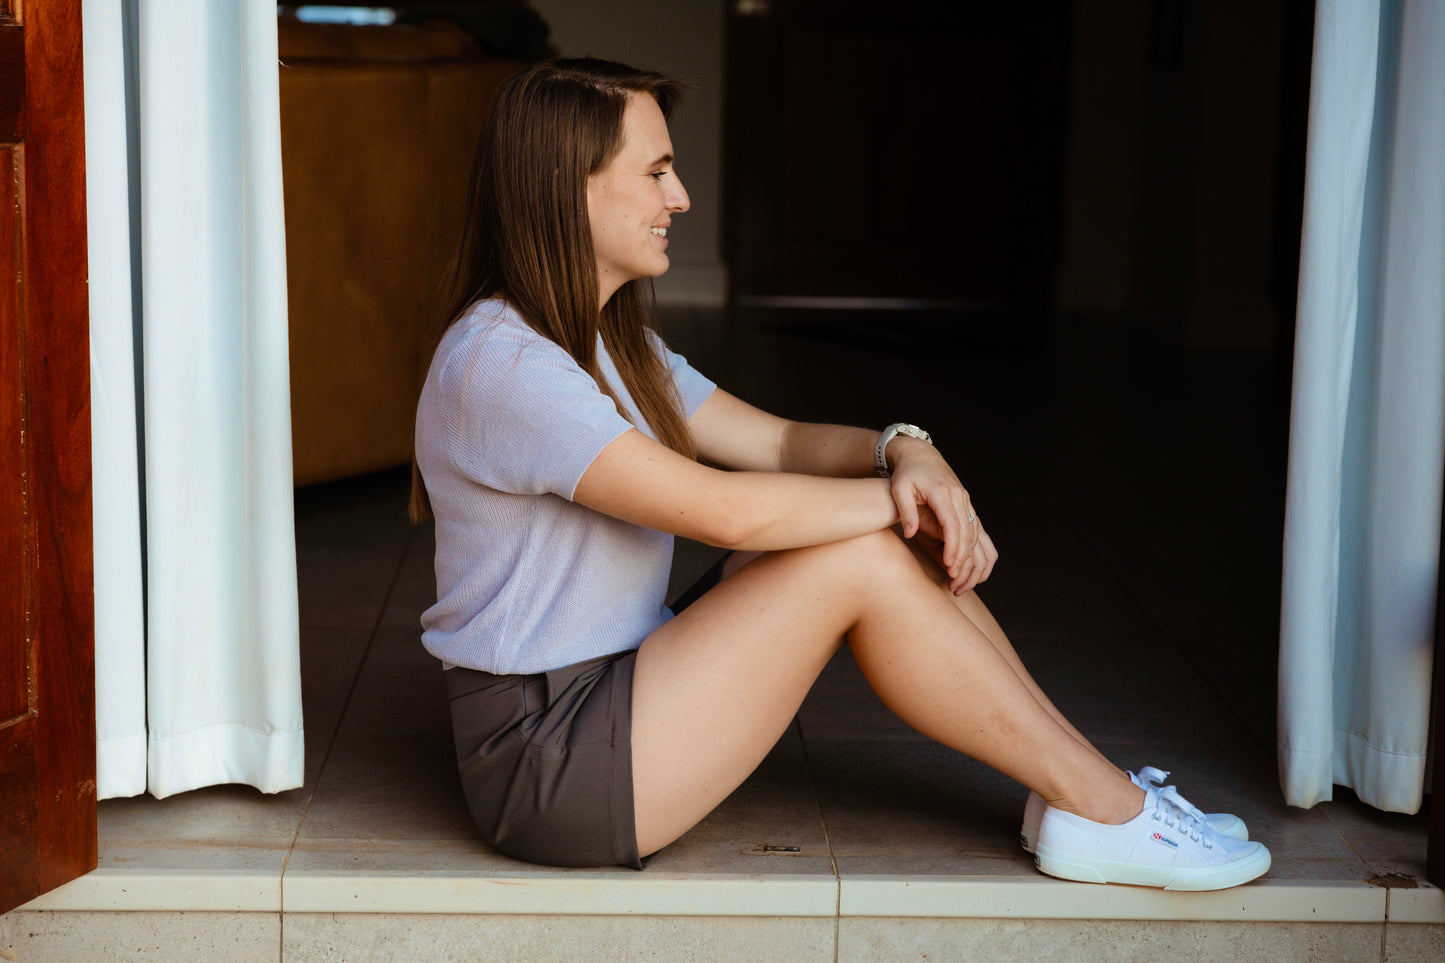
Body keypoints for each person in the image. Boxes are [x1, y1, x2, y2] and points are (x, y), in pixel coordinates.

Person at [411, 57, 1271, 891]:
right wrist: (899, 500)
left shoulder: (606, 342)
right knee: (861, 546)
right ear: (569, 185)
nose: (679, 197)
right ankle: (1102, 806)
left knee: (866, 533)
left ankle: (1081, 789)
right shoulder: (504, 364)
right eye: (656, 171)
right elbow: (727, 513)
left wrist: (906, 449)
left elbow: (781, 445)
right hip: (546, 763)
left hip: (619, 685)